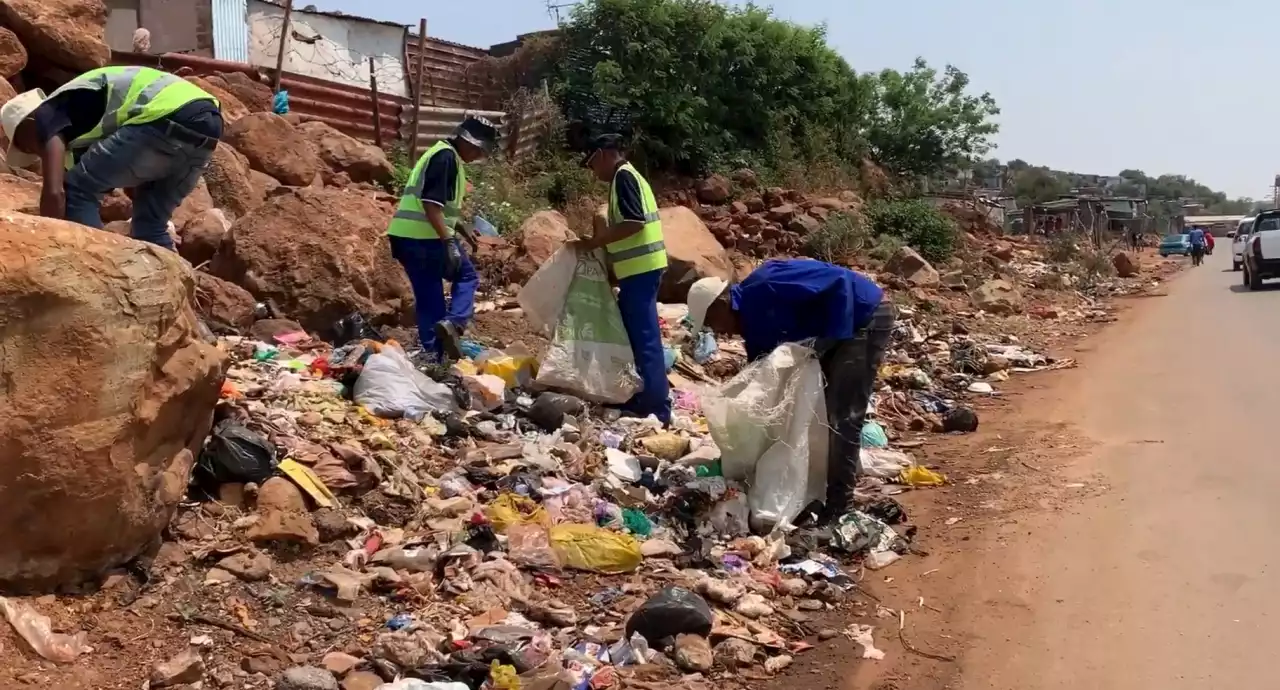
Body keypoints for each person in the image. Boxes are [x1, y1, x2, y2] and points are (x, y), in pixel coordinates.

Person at [686, 259, 896, 522]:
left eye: (712, 322)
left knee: (843, 417)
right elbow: (764, 369)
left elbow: (840, 284)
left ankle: (839, 508)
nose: (718, 332)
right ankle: (816, 492)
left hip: (863, 316)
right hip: (835, 332)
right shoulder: (749, 325)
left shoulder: (767, 286)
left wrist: (826, 342)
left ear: (721, 304)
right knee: (816, 415)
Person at [0, 66, 222, 250]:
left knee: (77, 191)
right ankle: (174, 290)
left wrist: (48, 243)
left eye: (24, 144)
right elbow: (121, 165)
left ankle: (95, 268)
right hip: (207, 127)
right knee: (149, 224)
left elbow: (56, 192)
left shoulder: (45, 115)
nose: (34, 153)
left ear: (28, 123)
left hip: (166, 115)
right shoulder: (77, 118)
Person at [573, 133, 670, 424]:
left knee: (645, 338)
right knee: (641, 335)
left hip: (641, 270)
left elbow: (634, 222)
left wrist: (597, 242)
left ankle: (655, 404)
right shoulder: (626, 178)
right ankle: (649, 396)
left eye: (592, 164)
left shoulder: (624, 178)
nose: (593, 172)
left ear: (603, 155)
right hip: (639, 270)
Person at [386, 116, 499, 360]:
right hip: (427, 239)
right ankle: (455, 323)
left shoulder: (439, 153)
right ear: (469, 144)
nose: (478, 157)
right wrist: (449, 241)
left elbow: (437, 204)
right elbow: (430, 204)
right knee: (466, 276)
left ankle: (434, 358)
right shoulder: (447, 158)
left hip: (406, 239)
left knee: (430, 299)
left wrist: (460, 226)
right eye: (479, 151)